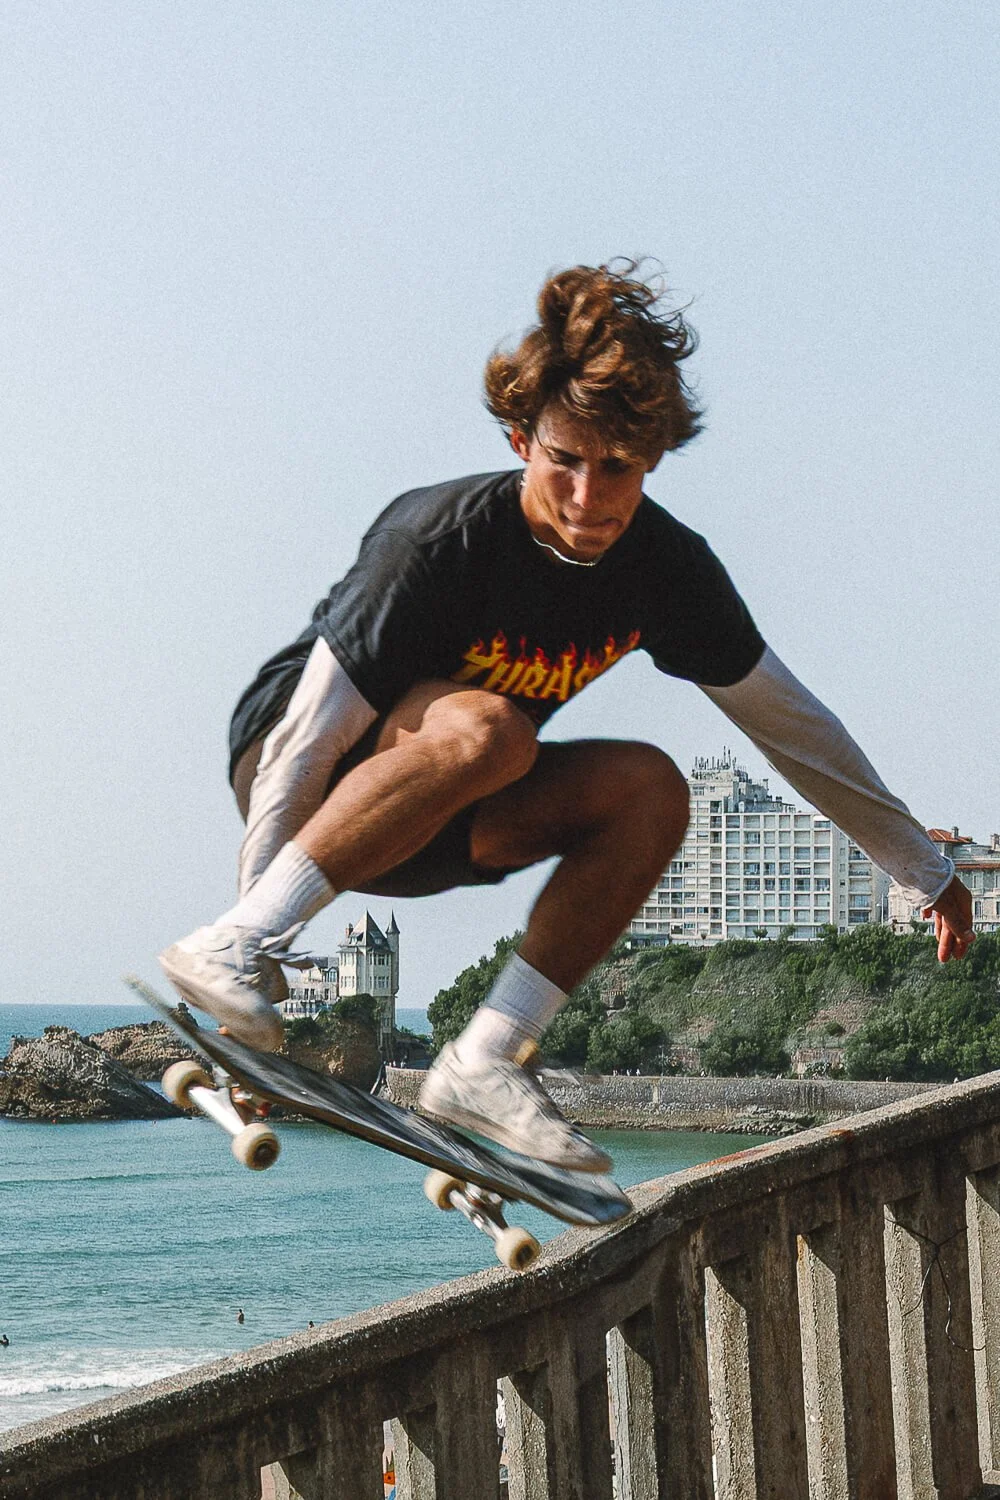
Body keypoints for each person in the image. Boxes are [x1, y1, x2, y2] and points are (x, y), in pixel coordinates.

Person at [160, 261, 973, 1174]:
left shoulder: (669, 571)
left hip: (442, 826)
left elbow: (792, 726)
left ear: (654, 458)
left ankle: (485, 1059)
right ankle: (234, 936)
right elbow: (303, 745)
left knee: (652, 790)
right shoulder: (439, 540)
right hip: (307, 777)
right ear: (520, 443)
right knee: (492, 729)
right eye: (566, 463)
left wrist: (923, 868)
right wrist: (248, 956)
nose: (590, 500)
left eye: (618, 469)